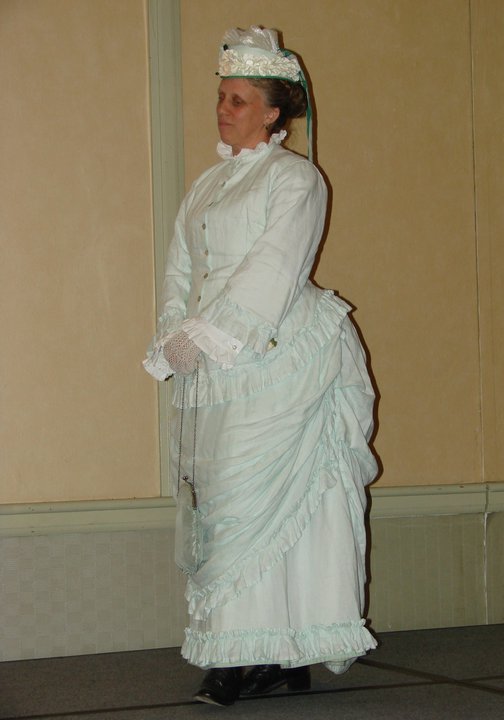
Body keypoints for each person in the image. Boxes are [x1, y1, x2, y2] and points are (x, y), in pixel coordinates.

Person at [144, 25, 378, 707]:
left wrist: (209, 334)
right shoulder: (207, 186)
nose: (224, 109)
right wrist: (175, 334)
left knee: (256, 503)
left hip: (277, 356)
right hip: (217, 365)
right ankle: (263, 652)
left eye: (239, 99)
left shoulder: (296, 179)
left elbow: (274, 266)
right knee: (220, 502)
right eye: (222, 96)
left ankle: (254, 656)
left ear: (274, 112)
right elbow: (181, 268)